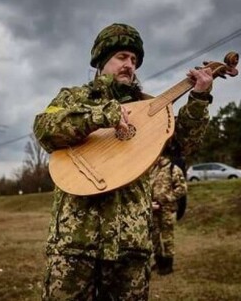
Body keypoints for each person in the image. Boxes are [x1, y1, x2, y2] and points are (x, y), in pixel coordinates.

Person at [33, 23, 213, 300]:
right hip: (74, 244)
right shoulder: (73, 98)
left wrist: (199, 98)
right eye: (122, 57)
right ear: (102, 60)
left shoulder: (148, 107)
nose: (129, 65)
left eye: (134, 59)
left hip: (131, 247)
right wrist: (102, 115)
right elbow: (45, 128)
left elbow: (182, 144)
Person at [150, 153, 188, 275]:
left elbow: (182, 189)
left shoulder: (173, 169)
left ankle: (168, 264)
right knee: (154, 236)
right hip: (154, 208)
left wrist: (168, 198)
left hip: (166, 208)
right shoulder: (152, 170)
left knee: (167, 237)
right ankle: (159, 261)